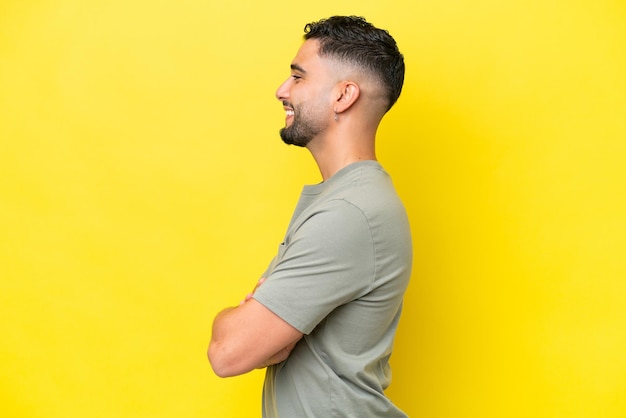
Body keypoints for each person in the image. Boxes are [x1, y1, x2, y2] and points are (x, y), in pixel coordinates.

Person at [208, 15, 412, 417]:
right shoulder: (348, 201)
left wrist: (237, 318)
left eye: (298, 77)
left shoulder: (350, 214)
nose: (281, 90)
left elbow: (227, 353)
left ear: (343, 96)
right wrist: (258, 327)